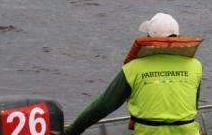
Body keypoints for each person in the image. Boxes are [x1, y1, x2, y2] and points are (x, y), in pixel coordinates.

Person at [65, 13, 203, 135]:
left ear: (149, 37)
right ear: (177, 37)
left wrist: (71, 132)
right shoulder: (195, 66)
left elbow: (102, 106)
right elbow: (193, 107)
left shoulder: (133, 68)